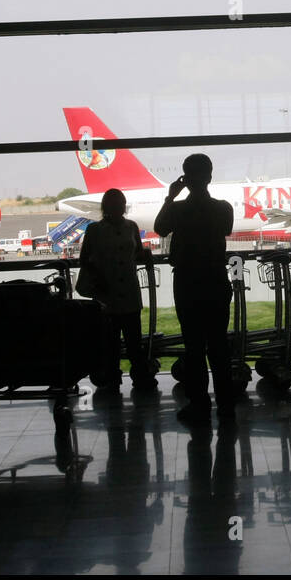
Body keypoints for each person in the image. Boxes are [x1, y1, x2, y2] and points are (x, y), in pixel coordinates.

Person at [154, 154, 235, 425]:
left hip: (187, 282)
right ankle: (226, 405)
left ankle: (199, 403)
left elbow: (159, 228)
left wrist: (171, 196)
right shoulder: (223, 209)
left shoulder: (177, 211)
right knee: (219, 346)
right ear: (210, 177)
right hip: (215, 279)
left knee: (194, 347)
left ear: (185, 179)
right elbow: (226, 229)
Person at [79, 187, 156, 391]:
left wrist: (145, 254)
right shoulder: (94, 230)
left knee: (134, 340)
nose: (119, 207)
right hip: (107, 293)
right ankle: (115, 377)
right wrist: (98, 279)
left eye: (121, 203)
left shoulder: (132, 227)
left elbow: (136, 253)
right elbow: (84, 259)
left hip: (128, 290)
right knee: (110, 341)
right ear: (107, 207)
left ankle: (136, 376)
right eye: (116, 203)